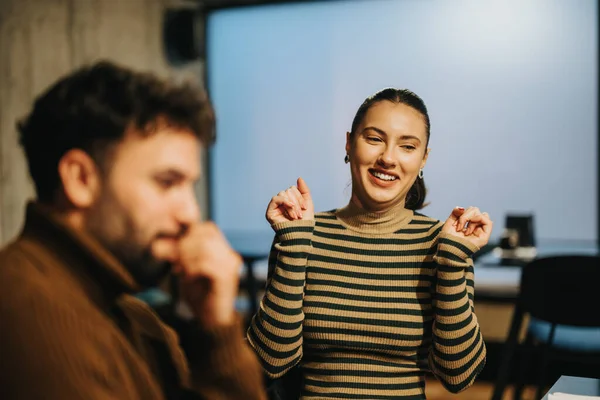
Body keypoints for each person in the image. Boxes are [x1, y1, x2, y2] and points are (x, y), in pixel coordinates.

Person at [0, 61, 266, 400]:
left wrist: (212, 328)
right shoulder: (34, 316)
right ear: (80, 179)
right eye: (167, 182)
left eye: (190, 187)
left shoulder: (131, 314)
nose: (191, 213)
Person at [247, 88, 491, 399]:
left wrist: (453, 261)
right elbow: (268, 362)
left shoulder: (443, 244)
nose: (388, 158)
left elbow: (459, 376)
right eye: (374, 139)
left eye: (407, 146)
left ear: (423, 158)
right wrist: (294, 246)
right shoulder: (302, 232)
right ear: (349, 143)